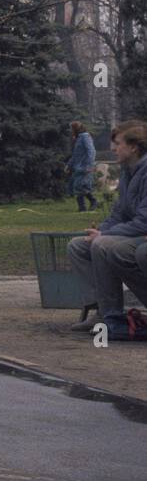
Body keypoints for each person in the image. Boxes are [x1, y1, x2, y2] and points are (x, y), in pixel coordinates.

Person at [68, 120, 147, 331]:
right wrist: (100, 230)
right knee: (78, 246)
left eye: (117, 143)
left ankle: (113, 316)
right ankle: (102, 310)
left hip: (142, 234)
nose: (112, 148)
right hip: (132, 232)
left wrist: (104, 234)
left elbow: (143, 222)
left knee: (103, 245)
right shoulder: (127, 171)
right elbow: (119, 212)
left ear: (134, 147)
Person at [68, 121, 97, 213]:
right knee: (79, 186)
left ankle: (89, 203)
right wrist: (69, 165)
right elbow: (75, 155)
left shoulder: (85, 137)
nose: (70, 131)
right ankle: (85, 206)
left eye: (71, 129)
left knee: (79, 185)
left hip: (85, 166)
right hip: (78, 166)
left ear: (75, 129)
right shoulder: (79, 138)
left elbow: (91, 152)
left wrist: (89, 165)